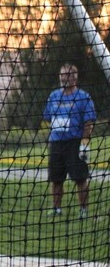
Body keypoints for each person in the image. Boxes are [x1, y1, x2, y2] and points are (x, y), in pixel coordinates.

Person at [43, 62, 96, 219]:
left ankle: (83, 211)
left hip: (74, 143)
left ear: (75, 78)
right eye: (62, 74)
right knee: (56, 178)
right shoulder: (53, 96)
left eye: (67, 75)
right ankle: (57, 209)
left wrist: (84, 144)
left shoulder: (83, 97)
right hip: (56, 143)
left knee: (80, 178)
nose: (64, 78)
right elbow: (47, 117)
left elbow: (88, 123)